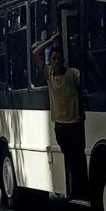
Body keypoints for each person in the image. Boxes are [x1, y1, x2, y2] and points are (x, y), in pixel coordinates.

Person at [32, 31, 87, 200]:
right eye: (52, 59)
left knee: (78, 159)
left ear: (63, 60)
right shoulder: (49, 75)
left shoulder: (73, 74)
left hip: (75, 123)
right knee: (69, 158)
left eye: (58, 59)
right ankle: (74, 190)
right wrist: (51, 41)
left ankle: (80, 190)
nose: (55, 62)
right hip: (60, 125)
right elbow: (35, 53)